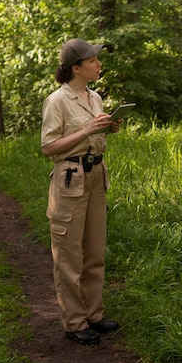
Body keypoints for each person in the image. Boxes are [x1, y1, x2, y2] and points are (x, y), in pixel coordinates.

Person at [41, 38, 122, 346]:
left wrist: (106, 128)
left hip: (97, 175)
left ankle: (94, 314)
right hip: (69, 178)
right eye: (93, 61)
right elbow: (49, 147)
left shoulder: (96, 97)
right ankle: (74, 322)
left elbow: (91, 135)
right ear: (76, 67)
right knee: (69, 254)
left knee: (95, 250)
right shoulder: (57, 101)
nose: (99, 64)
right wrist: (87, 130)